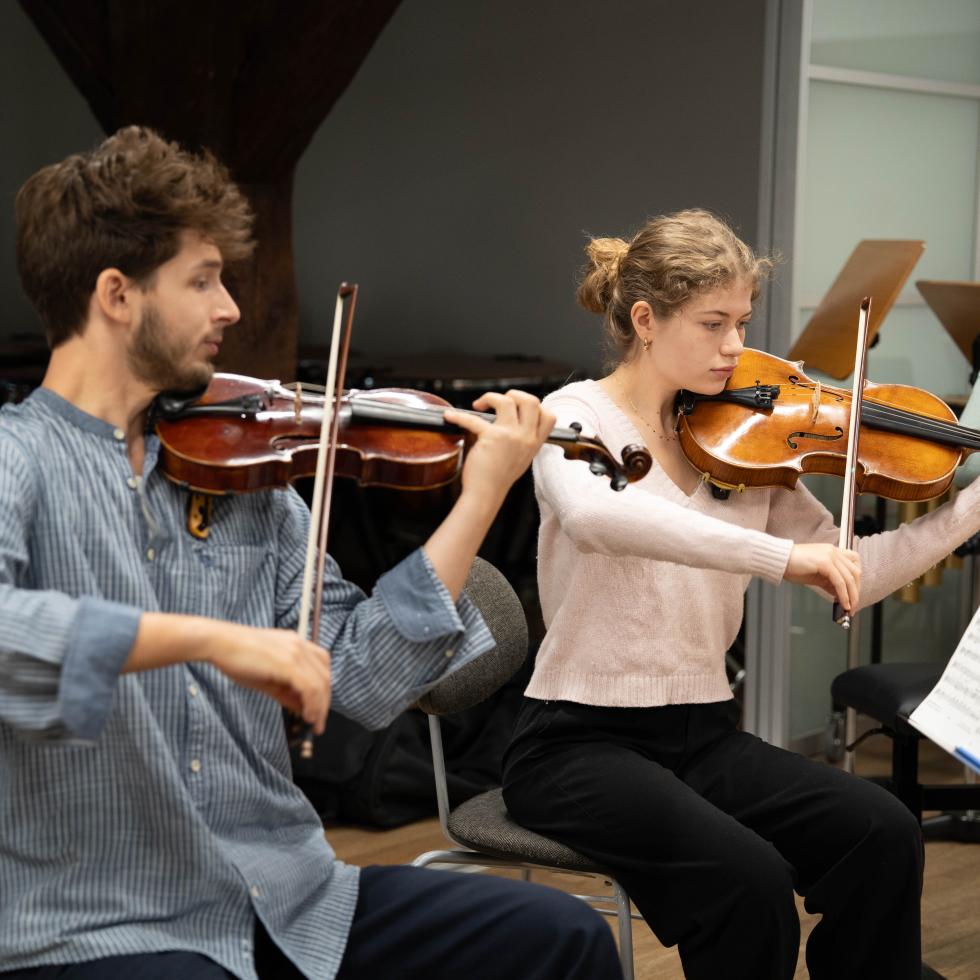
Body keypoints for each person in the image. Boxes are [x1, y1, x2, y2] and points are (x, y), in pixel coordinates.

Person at [0, 127, 624, 980]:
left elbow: (363, 675)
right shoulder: (18, 460)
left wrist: (480, 497)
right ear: (117, 295)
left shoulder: (243, 474)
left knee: (561, 936)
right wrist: (210, 639)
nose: (230, 308)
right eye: (202, 280)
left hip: (288, 898)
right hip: (102, 920)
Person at [502, 208, 980, 980]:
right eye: (713, 324)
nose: (736, 347)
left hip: (703, 736)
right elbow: (599, 520)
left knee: (882, 829)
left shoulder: (746, 441)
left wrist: (967, 512)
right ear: (646, 321)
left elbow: (849, 569)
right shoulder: (576, 415)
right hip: (575, 743)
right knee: (747, 883)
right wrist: (779, 558)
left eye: (743, 322)